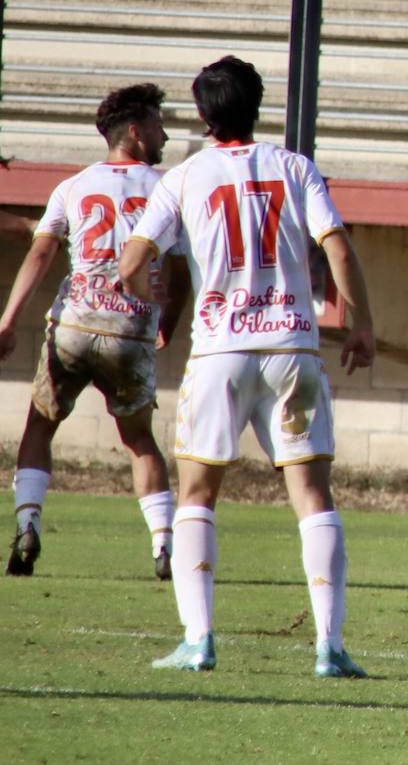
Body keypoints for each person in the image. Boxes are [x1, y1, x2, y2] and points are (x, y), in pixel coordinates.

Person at [119, 56, 376, 678]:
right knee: (313, 495)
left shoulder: (183, 177)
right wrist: (361, 322)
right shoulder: (294, 167)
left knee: (199, 493)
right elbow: (335, 244)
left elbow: (133, 259)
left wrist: (151, 298)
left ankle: (198, 641)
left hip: (220, 353)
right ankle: (329, 647)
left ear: (203, 115)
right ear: (258, 104)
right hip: (292, 347)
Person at [0, 83, 186, 580]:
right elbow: (181, 269)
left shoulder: (74, 186)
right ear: (134, 131)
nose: (164, 132)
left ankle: (28, 523)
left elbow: (41, 253)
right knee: (140, 439)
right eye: (157, 123)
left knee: (41, 424)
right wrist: (168, 322)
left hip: (74, 326)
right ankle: (164, 546)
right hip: (130, 331)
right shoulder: (168, 187)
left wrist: (8, 320)